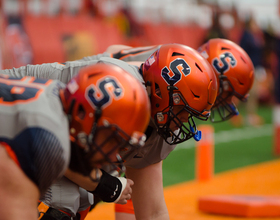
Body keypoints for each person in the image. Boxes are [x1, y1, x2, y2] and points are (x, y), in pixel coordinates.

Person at [0, 43, 218, 220]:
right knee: (66, 200)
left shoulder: (149, 116)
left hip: (43, 128)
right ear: (163, 93)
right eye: (182, 112)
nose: (183, 122)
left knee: (89, 190)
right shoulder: (120, 94)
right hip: (21, 121)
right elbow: (61, 150)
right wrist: (107, 185)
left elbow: (152, 211)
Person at [78, 38, 254, 219]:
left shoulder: (181, 66)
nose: (227, 102)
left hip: (126, 111)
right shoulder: (169, 71)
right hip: (103, 106)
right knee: (95, 181)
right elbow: (115, 52)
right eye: (227, 94)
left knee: (128, 173)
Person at [0, 62, 151, 220]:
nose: (114, 156)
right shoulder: (48, 133)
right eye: (112, 141)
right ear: (85, 119)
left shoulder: (57, 98)